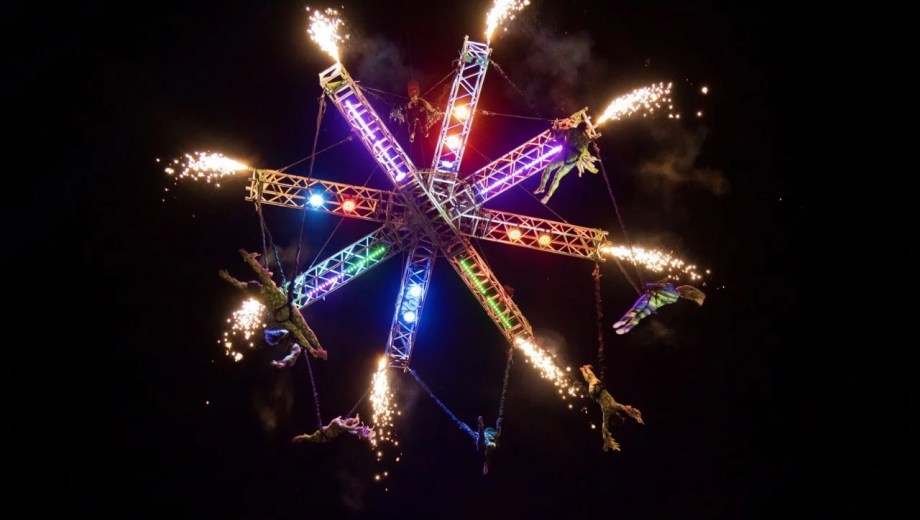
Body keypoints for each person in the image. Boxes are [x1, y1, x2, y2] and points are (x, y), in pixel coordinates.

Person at [219, 249, 328, 360]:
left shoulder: (256, 296)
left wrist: (227, 277)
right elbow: (258, 271)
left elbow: (239, 285)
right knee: (305, 329)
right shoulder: (267, 286)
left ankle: (312, 351)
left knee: (297, 333)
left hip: (280, 316)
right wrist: (248, 257)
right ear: (259, 285)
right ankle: (318, 348)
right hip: (287, 308)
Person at [579, 364, 643, 452]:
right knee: (588, 381)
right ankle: (583, 370)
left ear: (618, 415)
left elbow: (626, 408)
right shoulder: (606, 414)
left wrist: (636, 414)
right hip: (593, 394)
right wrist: (606, 440)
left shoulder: (615, 406)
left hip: (598, 389)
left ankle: (586, 368)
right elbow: (604, 428)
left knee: (592, 377)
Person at [533, 119, 599, 204]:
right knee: (558, 176)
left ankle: (542, 187)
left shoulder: (572, 130)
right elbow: (584, 152)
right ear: (585, 129)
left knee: (549, 168)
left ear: (578, 126)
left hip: (565, 154)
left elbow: (557, 136)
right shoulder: (585, 140)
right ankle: (548, 196)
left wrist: (552, 129)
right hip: (573, 160)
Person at [612, 280, 706, 335]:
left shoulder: (669, 286)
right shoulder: (674, 299)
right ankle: (626, 329)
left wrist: (648, 285)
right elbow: (662, 302)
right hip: (653, 307)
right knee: (639, 317)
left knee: (635, 310)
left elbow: (655, 286)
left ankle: (623, 321)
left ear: (682, 288)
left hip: (648, 298)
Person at [292, 415, 375, 444]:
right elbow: (344, 427)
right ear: (347, 420)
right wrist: (355, 427)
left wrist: (361, 431)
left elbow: (352, 431)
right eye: (350, 420)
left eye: (351, 422)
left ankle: (304, 437)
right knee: (310, 438)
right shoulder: (337, 421)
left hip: (326, 439)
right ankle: (300, 437)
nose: (351, 421)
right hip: (321, 434)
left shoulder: (346, 426)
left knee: (311, 439)